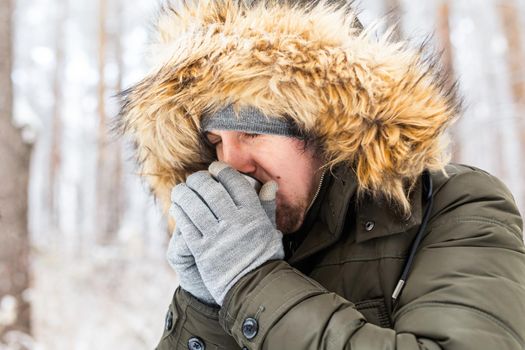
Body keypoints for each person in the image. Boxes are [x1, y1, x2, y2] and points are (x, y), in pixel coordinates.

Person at [117, 0, 525, 349]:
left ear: (325, 127)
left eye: (253, 131)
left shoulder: (458, 206)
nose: (230, 162)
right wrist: (206, 305)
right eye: (215, 140)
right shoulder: (238, 235)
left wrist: (253, 283)